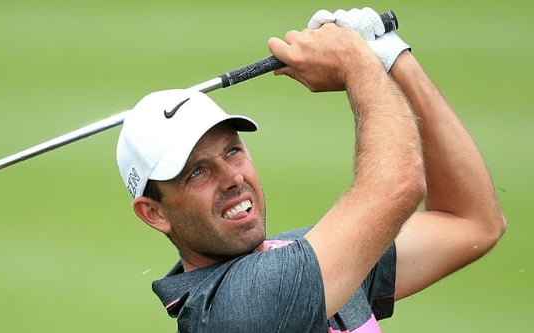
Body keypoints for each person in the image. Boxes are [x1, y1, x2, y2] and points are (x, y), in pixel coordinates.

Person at [115, 7, 506, 333]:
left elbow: (471, 222)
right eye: (196, 172)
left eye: (232, 151)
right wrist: (358, 65)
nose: (232, 177)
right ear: (155, 212)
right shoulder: (238, 309)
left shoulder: (300, 256)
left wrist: (393, 59)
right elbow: (398, 184)